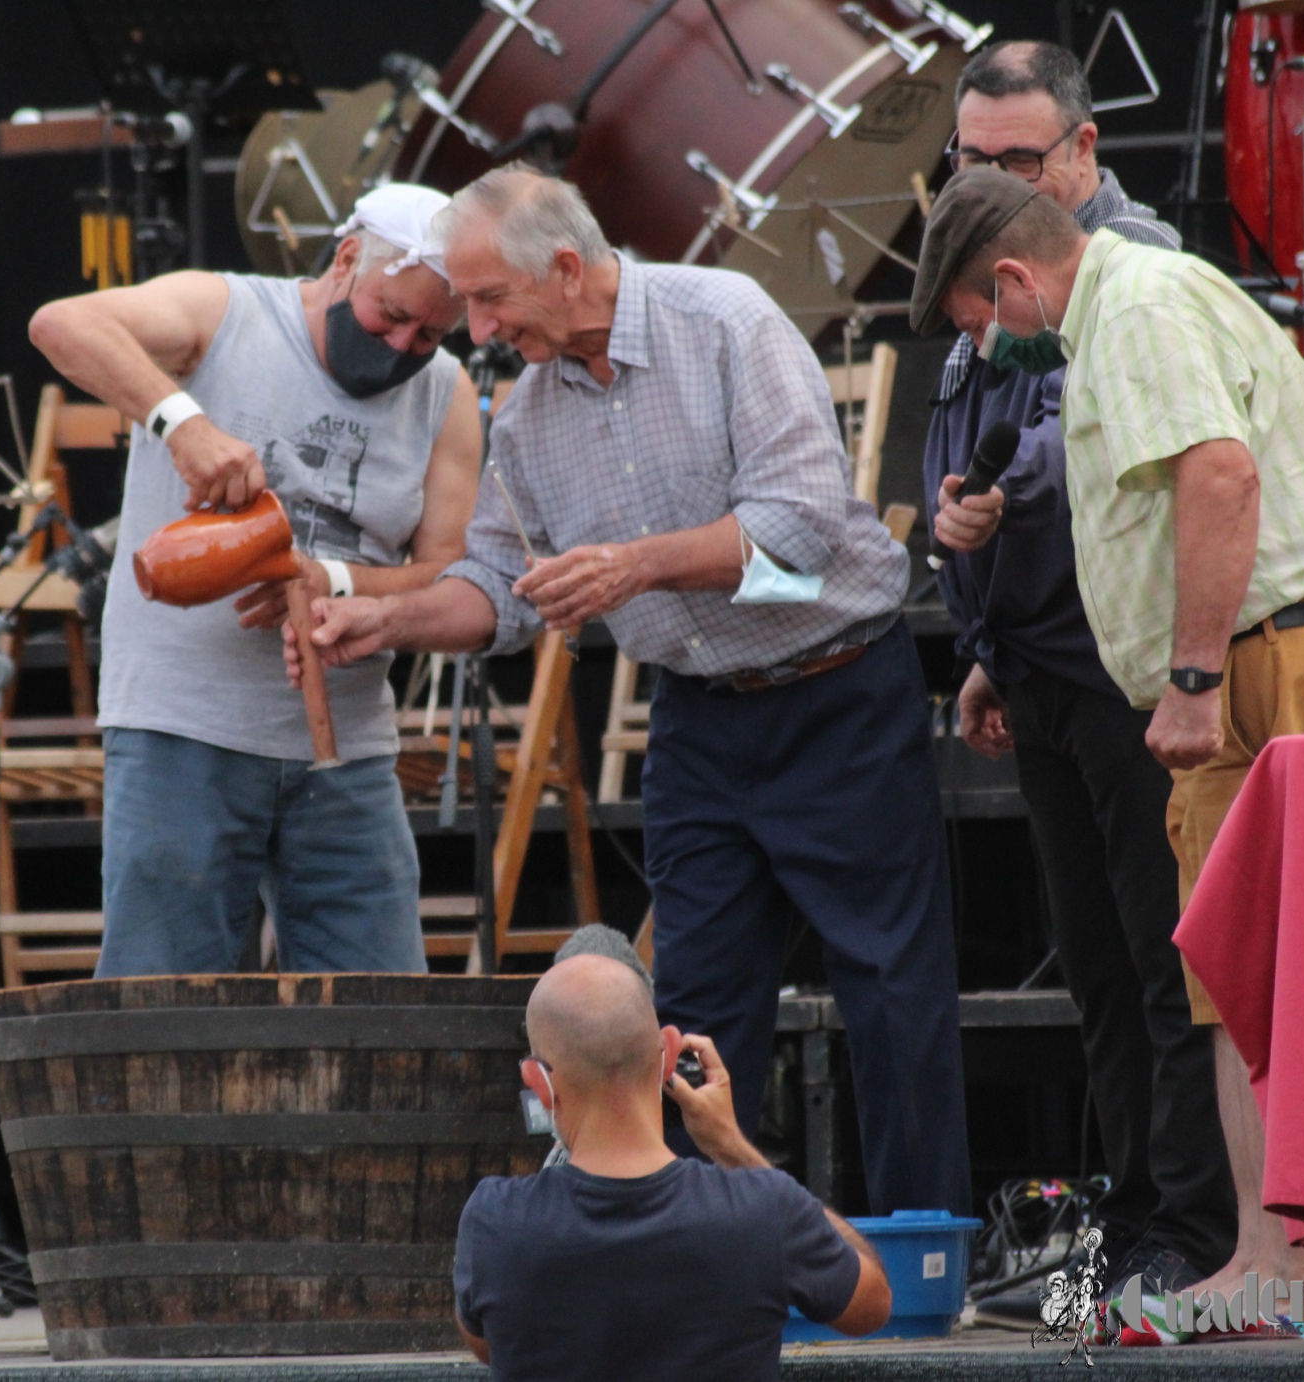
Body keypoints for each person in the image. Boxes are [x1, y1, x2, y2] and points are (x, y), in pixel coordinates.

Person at [294, 167, 971, 1216]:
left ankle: (922, 1263)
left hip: (837, 694)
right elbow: (497, 591)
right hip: (697, 719)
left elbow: (796, 524)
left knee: (891, 993)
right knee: (691, 1010)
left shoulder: (724, 321)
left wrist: (636, 565)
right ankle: (696, 1250)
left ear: (566, 268)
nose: (473, 328)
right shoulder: (524, 424)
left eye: (488, 300)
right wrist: (386, 620)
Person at [911, 166, 1304, 1332]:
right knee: (1232, 974)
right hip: (1233, 657)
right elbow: (1144, 517)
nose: (988, 357)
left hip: (1269, 655)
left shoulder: (1130, 310)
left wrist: (1188, 678)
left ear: (1019, 278)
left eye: (985, 328)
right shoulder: (1107, 317)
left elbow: (1217, 475)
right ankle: (1264, 1258)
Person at [922, 41, 1234, 1313]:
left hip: (1132, 673)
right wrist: (983, 645)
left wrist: (994, 500)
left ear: (1083, 152)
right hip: (1040, 670)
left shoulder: (1134, 272)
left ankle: (1196, 1231)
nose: (992, 181)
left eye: (1017, 159)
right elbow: (959, 435)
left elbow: (1097, 449)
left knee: (1167, 961)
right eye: (971, 160)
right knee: (1097, 967)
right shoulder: (986, 282)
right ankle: (1134, 1222)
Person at [28, 184, 480, 976]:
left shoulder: (446, 391)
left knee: (380, 1015)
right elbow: (61, 323)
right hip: (184, 728)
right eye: (388, 316)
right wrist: (183, 425)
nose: (404, 345)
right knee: (165, 1005)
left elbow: (448, 571)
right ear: (346, 261)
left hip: (345, 747)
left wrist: (330, 579)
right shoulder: (225, 313)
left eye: (429, 334)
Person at [453, 954, 891, 1380]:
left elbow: (490, 1344)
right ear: (669, 1052)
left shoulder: (495, 1220)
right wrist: (733, 1147)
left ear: (539, 1084)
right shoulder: (763, 1209)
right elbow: (873, 1305)